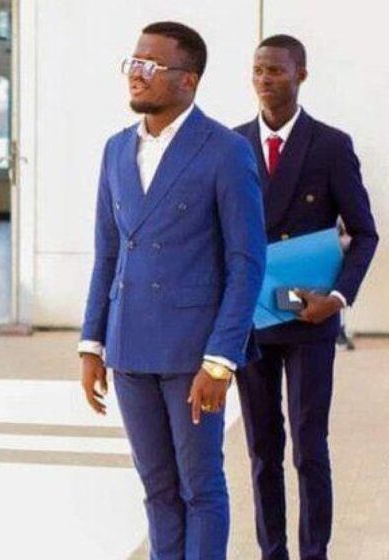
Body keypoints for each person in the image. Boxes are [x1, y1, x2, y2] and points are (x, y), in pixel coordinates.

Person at [78, 22, 266, 559]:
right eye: (134, 63)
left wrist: (221, 360)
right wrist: (92, 344)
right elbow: (108, 253)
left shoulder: (225, 150)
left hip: (193, 351)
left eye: (152, 65)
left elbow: (246, 262)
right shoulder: (117, 150)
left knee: (199, 486)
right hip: (129, 346)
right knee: (157, 488)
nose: (136, 74)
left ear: (189, 80)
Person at [233, 34, 379, 560]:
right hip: (251, 318)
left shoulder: (330, 145)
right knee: (261, 450)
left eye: (276, 70)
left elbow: (364, 233)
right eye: (258, 70)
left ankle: (314, 553)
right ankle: (272, 551)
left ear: (301, 75)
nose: (265, 79)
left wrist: (337, 297)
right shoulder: (233, 145)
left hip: (309, 316)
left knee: (309, 447)